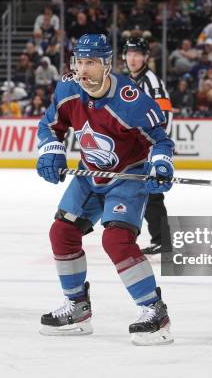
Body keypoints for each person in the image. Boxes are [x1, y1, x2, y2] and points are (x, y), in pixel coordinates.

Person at [36, 34, 175, 345]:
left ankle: (155, 312)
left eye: (91, 63)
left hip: (126, 176)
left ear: (107, 65)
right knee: (61, 233)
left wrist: (161, 164)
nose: (83, 70)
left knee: (116, 239)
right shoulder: (68, 88)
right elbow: (50, 124)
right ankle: (77, 309)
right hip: (89, 175)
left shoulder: (132, 101)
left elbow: (160, 140)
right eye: (79, 62)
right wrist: (51, 150)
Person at [123, 37, 173, 255]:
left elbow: (165, 117)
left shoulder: (152, 82)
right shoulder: (129, 82)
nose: (132, 59)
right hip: (134, 149)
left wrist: (157, 150)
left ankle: (162, 240)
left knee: (152, 194)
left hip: (149, 149)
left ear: (146, 57)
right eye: (129, 54)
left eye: (137, 54)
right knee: (133, 192)